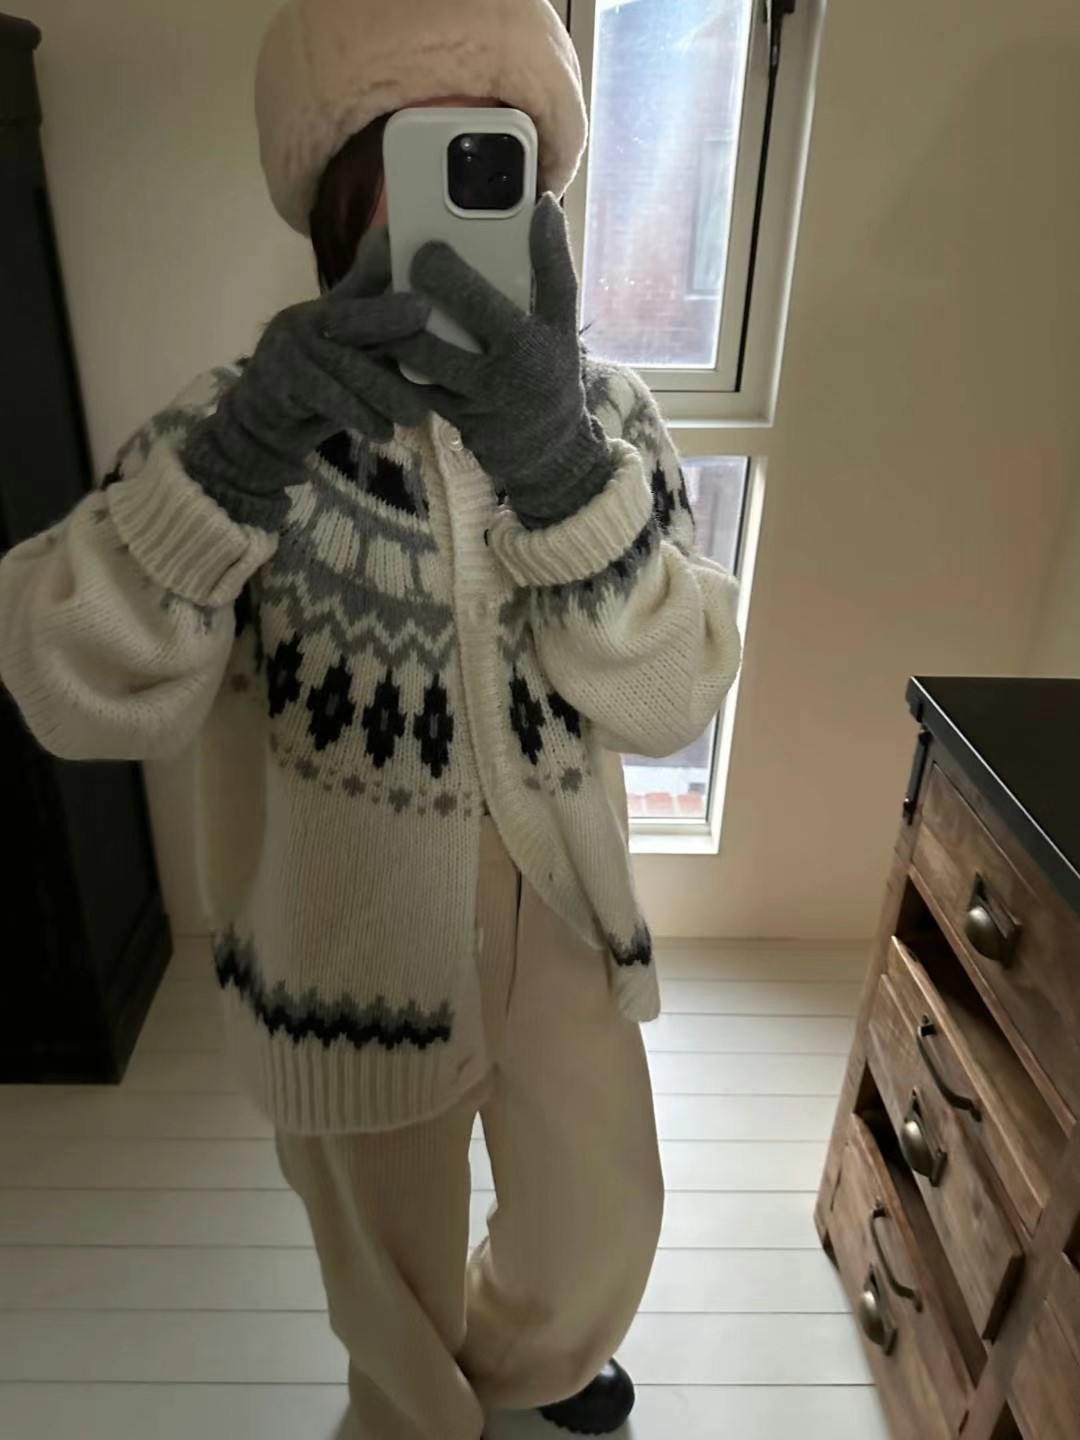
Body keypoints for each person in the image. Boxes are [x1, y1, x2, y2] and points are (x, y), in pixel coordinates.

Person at [0, 0, 742, 1435]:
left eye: (492, 165)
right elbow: (62, 677)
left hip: (560, 929)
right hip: (343, 952)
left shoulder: (601, 422)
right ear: (341, 202)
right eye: (410, 162)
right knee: (386, 1285)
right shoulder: (241, 426)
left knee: (604, 1220)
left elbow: (677, 693)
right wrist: (231, 474)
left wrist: (558, 468)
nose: (452, 213)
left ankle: (522, 1371)